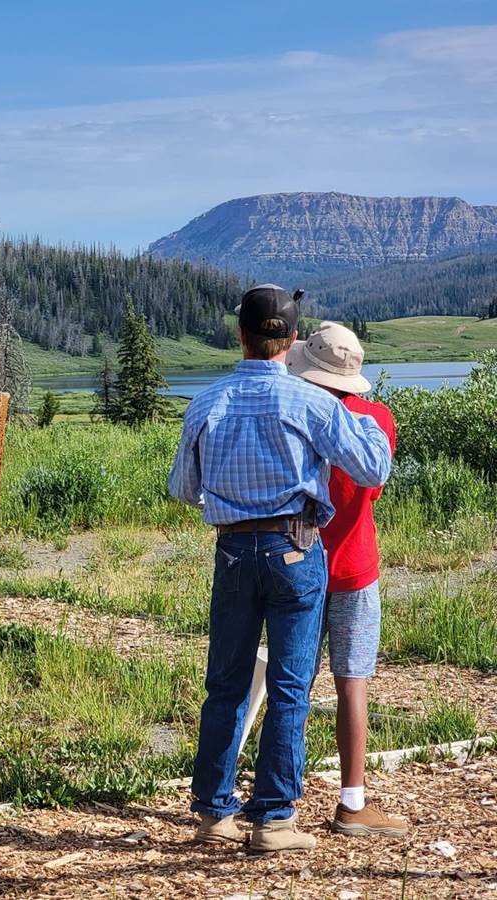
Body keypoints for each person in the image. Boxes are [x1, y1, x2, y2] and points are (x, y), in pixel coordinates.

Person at [168, 285, 392, 854]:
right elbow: (370, 467)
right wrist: (365, 417)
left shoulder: (206, 403)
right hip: (296, 549)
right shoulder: (311, 404)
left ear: (240, 335)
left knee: (226, 682)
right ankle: (273, 819)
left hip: (233, 550)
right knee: (291, 685)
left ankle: (215, 812)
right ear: (290, 340)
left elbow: (182, 490)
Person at [286, 322, 406, 838]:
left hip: (299, 560)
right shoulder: (376, 418)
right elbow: (371, 491)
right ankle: (352, 801)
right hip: (357, 565)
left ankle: (278, 800)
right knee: (352, 683)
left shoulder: (298, 415)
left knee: (293, 684)